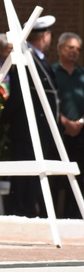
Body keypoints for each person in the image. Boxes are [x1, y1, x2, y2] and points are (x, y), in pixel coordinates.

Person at [2, 14, 61, 218]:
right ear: (44, 36)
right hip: (28, 126)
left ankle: (30, 208)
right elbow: (19, 93)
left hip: (42, 127)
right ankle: (21, 210)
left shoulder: (38, 58)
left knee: (37, 172)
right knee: (26, 170)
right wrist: (4, 117)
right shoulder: (26, 58)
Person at [52, 32, 84, 218]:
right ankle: (56, 215)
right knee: (57, 176)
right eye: (70, 48)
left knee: (79, 176)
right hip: (59, 132)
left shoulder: (82, 74)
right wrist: (64, 121)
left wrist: (79, 122)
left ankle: (76, 216)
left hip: (80, 134)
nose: (74, 52)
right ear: (60, 49)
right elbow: (48, 101)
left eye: (77, 49)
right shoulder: (52, 72)